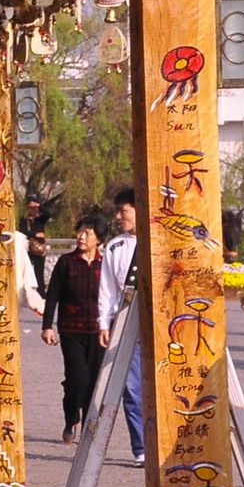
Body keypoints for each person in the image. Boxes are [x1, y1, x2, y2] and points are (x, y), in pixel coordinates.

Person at [41, 216, 108, 443]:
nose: (81, 237)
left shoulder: (105, 263)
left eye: (88, 233)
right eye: (80, 231)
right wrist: (47, 326)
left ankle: (90, 424)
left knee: (93, 380)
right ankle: (71, 419)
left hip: (99, 331)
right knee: (76, 378)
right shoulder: (66, 262)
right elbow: (53, 296)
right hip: (71, 329)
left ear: (98, 239)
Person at [97, 187, 144, 463]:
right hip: (124, 319)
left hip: (156, 322)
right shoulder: (115, 246)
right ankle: (140, 447)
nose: (118, 216)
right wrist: (104, 322)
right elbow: (107, 289)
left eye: (123, 210)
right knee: (131, 385)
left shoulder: (159, 240)